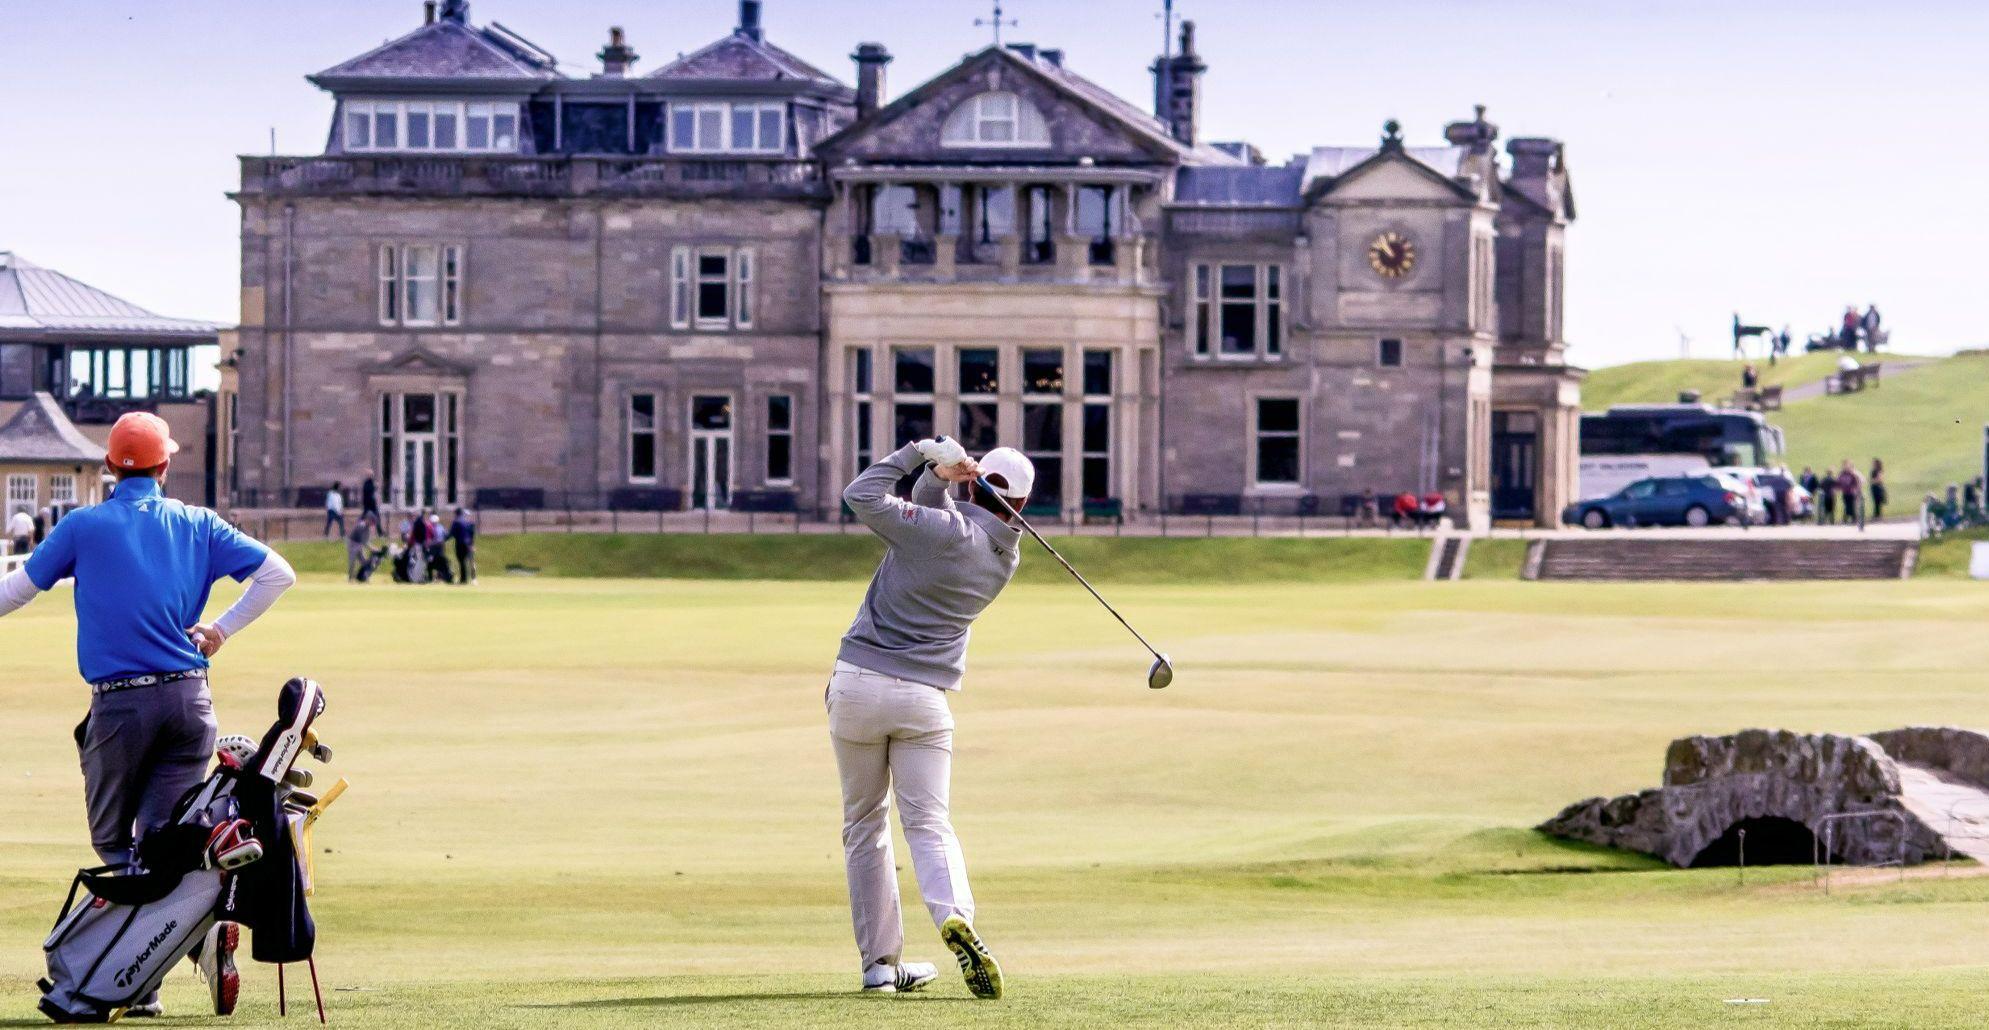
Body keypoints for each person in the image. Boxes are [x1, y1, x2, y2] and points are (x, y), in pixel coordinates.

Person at [0, 412, 295, 1019]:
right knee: (167, 845)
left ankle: (137, 981)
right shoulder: (197, 522)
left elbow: (19, 589)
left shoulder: (84, 525)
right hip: (191, 700)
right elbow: (277, 574)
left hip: (121, 703)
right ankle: (201, 941)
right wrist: (220, 630)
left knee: (114, 843)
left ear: (109, 467)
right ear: (166, 466)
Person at [829, 436, 1027, 999]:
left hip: (859, 686)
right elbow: (932, 514)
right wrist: (943, 476)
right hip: (925, 702)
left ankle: (879, 968)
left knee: (865, 826)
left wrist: (918, 452)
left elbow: (860, 494)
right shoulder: (1002, 557)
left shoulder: (938, 533)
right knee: (929, 823)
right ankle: (954, 915)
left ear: (976, 482)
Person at [449, 507, 477, 584]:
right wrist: (472, 544)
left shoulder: (456, 522)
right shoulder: (468, 522)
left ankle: (463, 579)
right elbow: (472, 533)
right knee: (471, 561)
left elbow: (452, 533)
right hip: (468, 543)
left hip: (460, 543)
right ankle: (474, 578)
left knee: (461, 562)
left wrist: (444, 538)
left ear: (456, 513)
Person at [346, 513, 376, 581]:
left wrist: (374, 548)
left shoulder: (368, 528)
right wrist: (372, 548)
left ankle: (365, 576)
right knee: (352, 562)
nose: (372, 525)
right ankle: (350, 578)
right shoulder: (361, 526)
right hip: (352, 544)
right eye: (372, 522)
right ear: (368, 520)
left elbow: (366, 540)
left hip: (359, 544)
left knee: (364, 561)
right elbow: (364, 541)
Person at [1838, 460, 1864, 530]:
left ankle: (1852, 519)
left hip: (1851, 492)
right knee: (1847, 506)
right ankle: (1849, 518)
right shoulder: (1842, 474)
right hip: (1845, 492)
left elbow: (1857, 482)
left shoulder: (1852, 474)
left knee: (1851, 506)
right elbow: (1839, 481)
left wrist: (1856, 489)